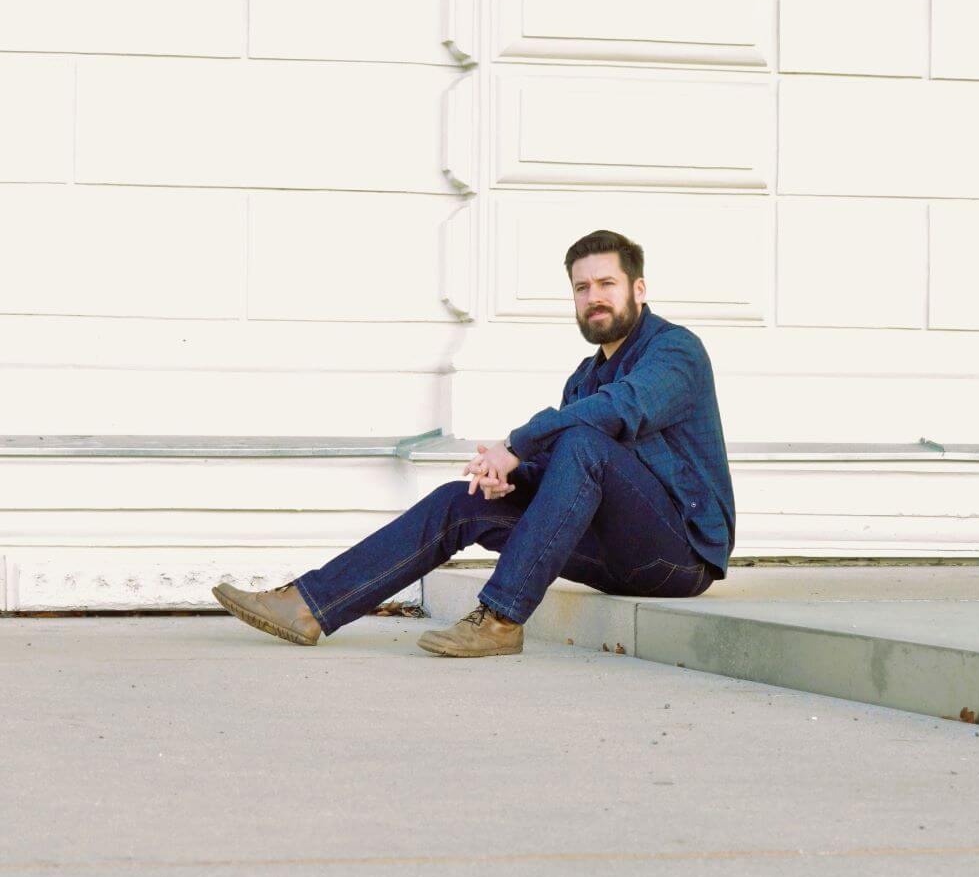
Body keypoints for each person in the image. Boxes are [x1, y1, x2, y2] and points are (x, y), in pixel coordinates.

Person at [211, 229, 736, 656]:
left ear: (638, 290)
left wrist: (516, 443)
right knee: (462, 500)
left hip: (679, 557)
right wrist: (507, 475)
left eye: (607, 283)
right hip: (615, 555)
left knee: (584, 440)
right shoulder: (583, 377)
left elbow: (621, 412)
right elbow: (564, 473)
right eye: (581, 288)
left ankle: (502, 619)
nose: (594, 297)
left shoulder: (676, 351)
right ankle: (309, 605)